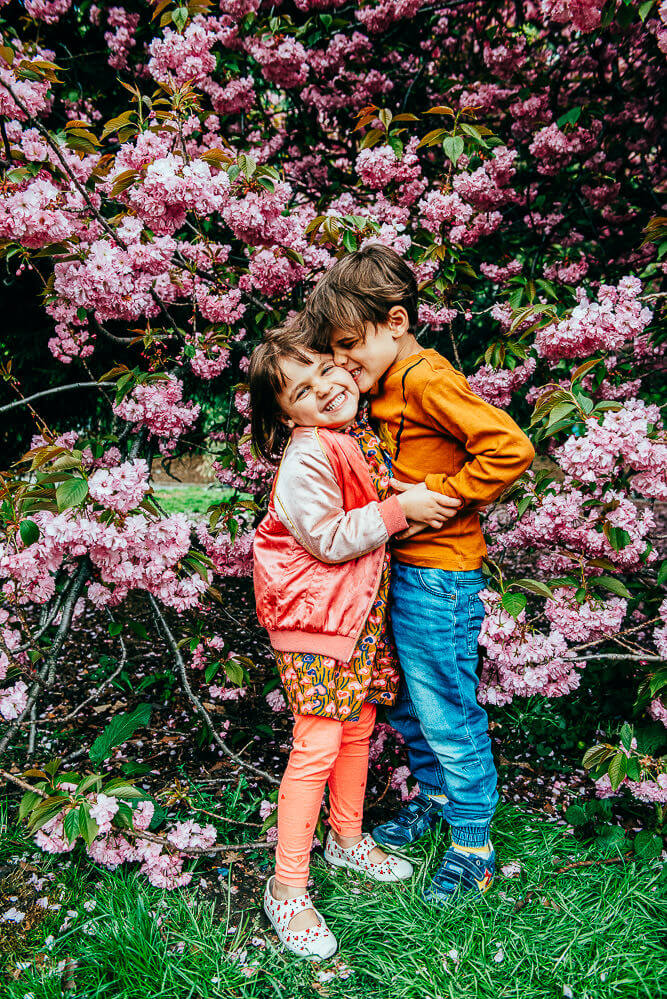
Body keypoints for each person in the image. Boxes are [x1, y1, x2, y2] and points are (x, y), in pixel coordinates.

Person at [305, 243, 536, 904]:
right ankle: (434, 799)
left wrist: (447, 494)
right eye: (334, 350)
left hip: (439, 577)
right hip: (397, 571)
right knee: (407, 701)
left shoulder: (426, 378)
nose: (344, 362)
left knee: (444, 708)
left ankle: (473, 843)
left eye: (352, 344)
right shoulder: (382, 385)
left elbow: (508, 446)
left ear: (397, 322)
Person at [249, 322, 460, 958]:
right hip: (316, 623)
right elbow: (327, 537)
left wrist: (395, 494)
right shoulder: (309, 452)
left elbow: (361, 497)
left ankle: (345, 841)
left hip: (352, 619)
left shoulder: (348, 438)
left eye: (326, 371)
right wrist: (401, 512)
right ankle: (286, 887)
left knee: (358, 730)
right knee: (316, 745)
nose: (326, 389)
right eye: (303, 391)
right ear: (285, 417)